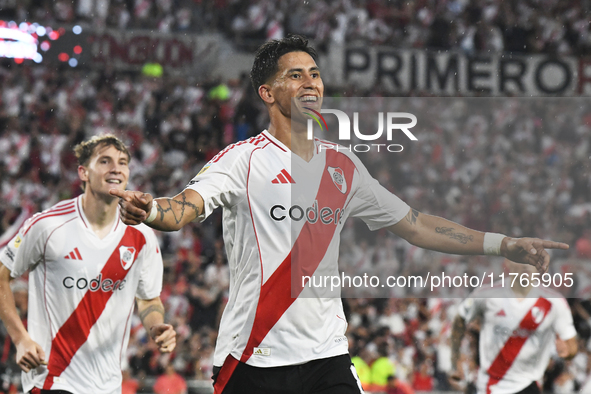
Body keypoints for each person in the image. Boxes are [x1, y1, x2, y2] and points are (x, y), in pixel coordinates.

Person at [110, 35, 569, 394]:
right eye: (296, 75)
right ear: (267, 93)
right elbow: (182, 209)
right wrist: (150, 209)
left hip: (326, 355)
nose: (311, 82)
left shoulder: (344, 167)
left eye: (314, 73)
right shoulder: (241, 160)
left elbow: (418, 225)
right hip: (253, 356)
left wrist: (504, 244)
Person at [0, 135, 176, 394]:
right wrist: (21, 339)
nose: (116, 168)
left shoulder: (142, 236)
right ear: (83, 172)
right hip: (52, 380)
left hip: (108, 385)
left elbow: (149, 300)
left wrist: (157, 325)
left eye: (123, 162)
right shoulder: (48, 226)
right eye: (105, 161)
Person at [450, 259, 578, 394]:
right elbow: (459, 319)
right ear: (508, 262)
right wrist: (455, 360)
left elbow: (571, 346)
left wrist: (568, 352)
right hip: (490, 386)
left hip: (528, 385)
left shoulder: (554, 302)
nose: (525, 266)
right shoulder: (487, 294)